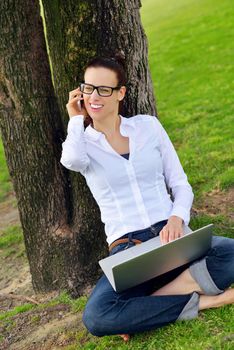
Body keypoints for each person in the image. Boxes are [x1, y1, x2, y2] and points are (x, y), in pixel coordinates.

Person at [60, 55, 234, 342]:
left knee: (230, 252)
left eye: (104, 89)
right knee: (97, 315)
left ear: (121, 93)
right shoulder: (81, 142)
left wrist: (177, 218)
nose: (94, 96)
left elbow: (180, 184)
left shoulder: (147, 127)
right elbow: (72, 160)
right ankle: (205, 300)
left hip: (174, 236)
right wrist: (76, 120)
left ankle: (153, 301)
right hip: (129, 249)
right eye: (88, 88)